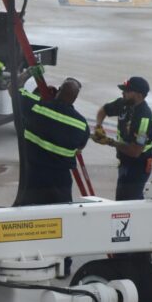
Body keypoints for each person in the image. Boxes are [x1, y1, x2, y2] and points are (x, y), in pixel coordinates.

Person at [17, 76, 90, 205]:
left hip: (34, 177)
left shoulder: (37, 108)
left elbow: (13, 87)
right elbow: (79, 149)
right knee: (60, 219)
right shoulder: (81, 124)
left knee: (31, 218)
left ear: (58, 90)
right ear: (74, 98)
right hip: (61, 183)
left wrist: (28, 73)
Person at [93, 76, 152, 201]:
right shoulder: (123, 103)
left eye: (127, 91)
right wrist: (98, 125)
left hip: (138, 166)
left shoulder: (144, 119)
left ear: (139, 95)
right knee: (125, 199)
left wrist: (110, 142)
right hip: (124, 160)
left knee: (127, 202)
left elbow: (135, 151)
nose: (123, 93)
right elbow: (103, 110)